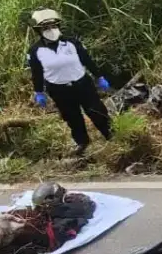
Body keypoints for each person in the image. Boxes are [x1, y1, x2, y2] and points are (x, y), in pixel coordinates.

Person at [26, 8, 113, 156]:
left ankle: (111, 136)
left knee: (97, 111)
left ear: (58, 26)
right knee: (72, 117)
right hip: (59, 90)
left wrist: (99, 77)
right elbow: (37, 73)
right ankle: (82, 143)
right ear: (39, 30)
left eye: (53, 26)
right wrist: (39, 92)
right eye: (46, 27)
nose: (51, 30)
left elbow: (87, 60)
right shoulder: (35, 51)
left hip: (82, 84)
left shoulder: (72, 42)